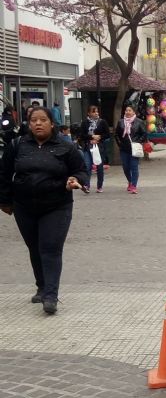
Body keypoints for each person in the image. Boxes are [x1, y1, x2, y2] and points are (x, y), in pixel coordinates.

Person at [0, 107, 88, 314]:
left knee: (50, 248)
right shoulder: (18, 145)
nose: (38, 123)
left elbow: (81, 170)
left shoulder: (66, 147)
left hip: (57, 206)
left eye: (42, 120)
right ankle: (41, 286)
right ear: (29, 124)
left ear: (52, 123)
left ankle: (50, 296)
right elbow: (4, 173)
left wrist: (75, 179)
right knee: (34, 248)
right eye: (34, 120)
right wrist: (5, 201)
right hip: (24, 207)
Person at [115, 105, 148, 194]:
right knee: (126, 167)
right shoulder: (121, 122)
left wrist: (137, 141)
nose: (128, 112)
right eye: (126, 110)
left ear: (134, 112)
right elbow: (116, 135)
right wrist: (120, 144)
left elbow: (144, 134)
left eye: (130, 110)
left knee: (134, 167)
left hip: (134, 148)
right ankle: (130, 181)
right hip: (124, 148)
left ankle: (134, 185)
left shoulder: (139, 122)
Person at [79, 105, 110, 193]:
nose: (96, 113)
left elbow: (107, 134)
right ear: (89, 113)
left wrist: (99, 138)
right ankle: (86, 185)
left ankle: (99, 186)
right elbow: (82, 136)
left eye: (97, 111)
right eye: (93, 112)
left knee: (99, 167)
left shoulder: (102, 122)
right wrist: (92, 137)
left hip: (99, 147)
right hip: (87, 147)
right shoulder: (85, 123)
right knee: (87, 165)